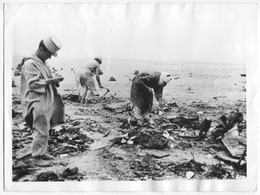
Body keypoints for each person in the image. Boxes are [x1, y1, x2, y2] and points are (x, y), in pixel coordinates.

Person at [20, 36, 65, 160]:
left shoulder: (43, 62)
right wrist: (52, 80)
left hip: (44, 99)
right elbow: (33, 84)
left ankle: (42, 152)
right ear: (41, 49)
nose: (50, 57)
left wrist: (55, 80)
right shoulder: (30, 63)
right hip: (36, 100)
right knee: (40, 128)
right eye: (49, 54)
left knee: (44, 127)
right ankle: (37, 157)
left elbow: (47, 78)